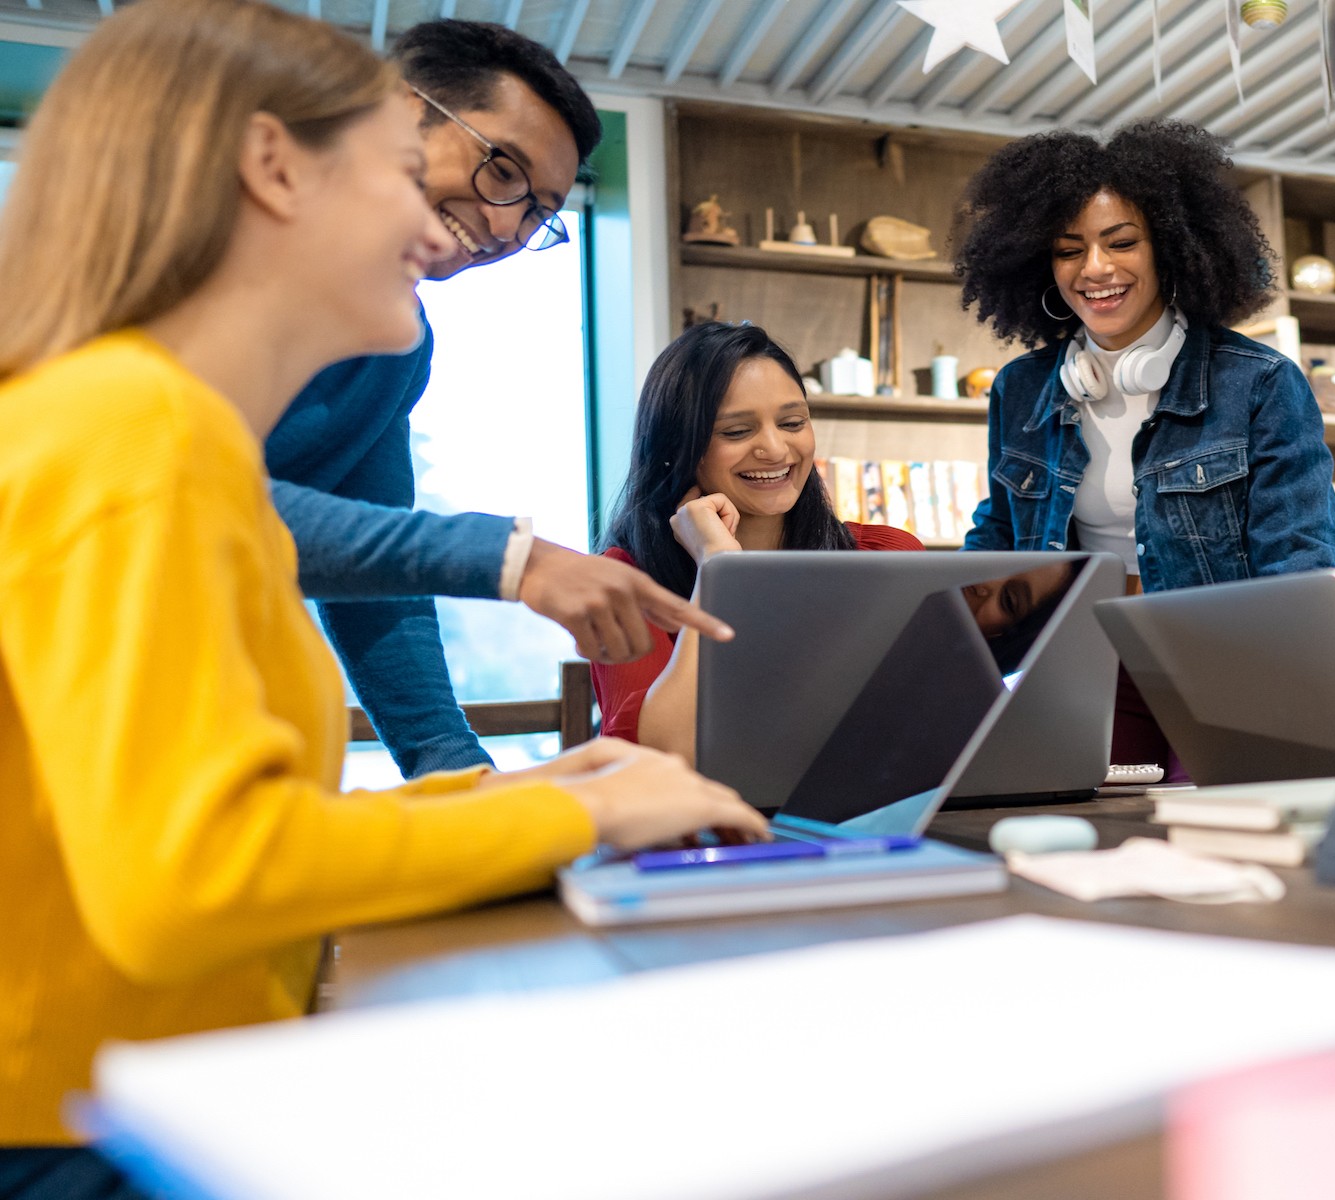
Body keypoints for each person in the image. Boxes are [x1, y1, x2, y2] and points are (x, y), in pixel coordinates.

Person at [0, 1, 766, 1183]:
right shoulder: (131, 428)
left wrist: (493, 792)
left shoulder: (173, 432)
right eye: (403, 173)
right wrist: (581, 815)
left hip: (131, 1082)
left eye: (540, 215)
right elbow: (192, 878)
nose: (453, 227)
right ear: (272, 167)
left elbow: (212, 826)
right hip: (74, 1116)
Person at [266, 19, 712, 781]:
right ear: (399, 114)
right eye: (501, 168)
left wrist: (460, 774)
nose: (507, 226)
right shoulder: (204, 250)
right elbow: (172, 497)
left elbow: (378, 583)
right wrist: (510, 559)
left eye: (540, 211)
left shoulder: (399, 343)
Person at [953, 118, 1335, 768]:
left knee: (1211, 837)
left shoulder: (1259, 383)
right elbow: (997, 536)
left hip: (1222, 670)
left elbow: (1303, 561)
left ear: (1170, 245)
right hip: (1084, 662)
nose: (1095, 268)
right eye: (1068, 248)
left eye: (1121, 242)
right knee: (1095, 834)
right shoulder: (1020, 390)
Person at [592, 322, 924, 756]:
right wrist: (717, 565)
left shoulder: (885, 556)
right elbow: (666, 757)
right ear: (678, 445)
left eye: (792, 422)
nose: (776, 449)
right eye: (736, 431)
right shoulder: (624, 584)